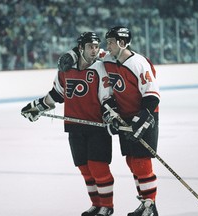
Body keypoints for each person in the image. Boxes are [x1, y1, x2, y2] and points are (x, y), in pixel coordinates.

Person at [58, 26, 160, 216]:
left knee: (141, 162)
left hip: (146, 115)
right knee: (132, 161)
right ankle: (145, 203)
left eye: (111, 42)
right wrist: (72, 54)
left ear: (122, 43)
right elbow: (88, 53)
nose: (107, 46)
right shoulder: (108, 58)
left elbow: (153, 96)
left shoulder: (139, 63)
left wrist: (142, 118)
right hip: (124, 117)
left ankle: (150, 206)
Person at [21, 32, 114, 216]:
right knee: (85, 169)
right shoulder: (67, 68)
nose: (94, 50)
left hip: (97, 127)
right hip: (74, 126)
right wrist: (37, 107)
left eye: (96, 46)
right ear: (81, 48)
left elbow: (107, 98)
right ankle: (96, 204)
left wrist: (111, 116)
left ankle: (107, 207)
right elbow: (57, 94)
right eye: (90, 46)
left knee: (99, 167)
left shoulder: (101, 66)